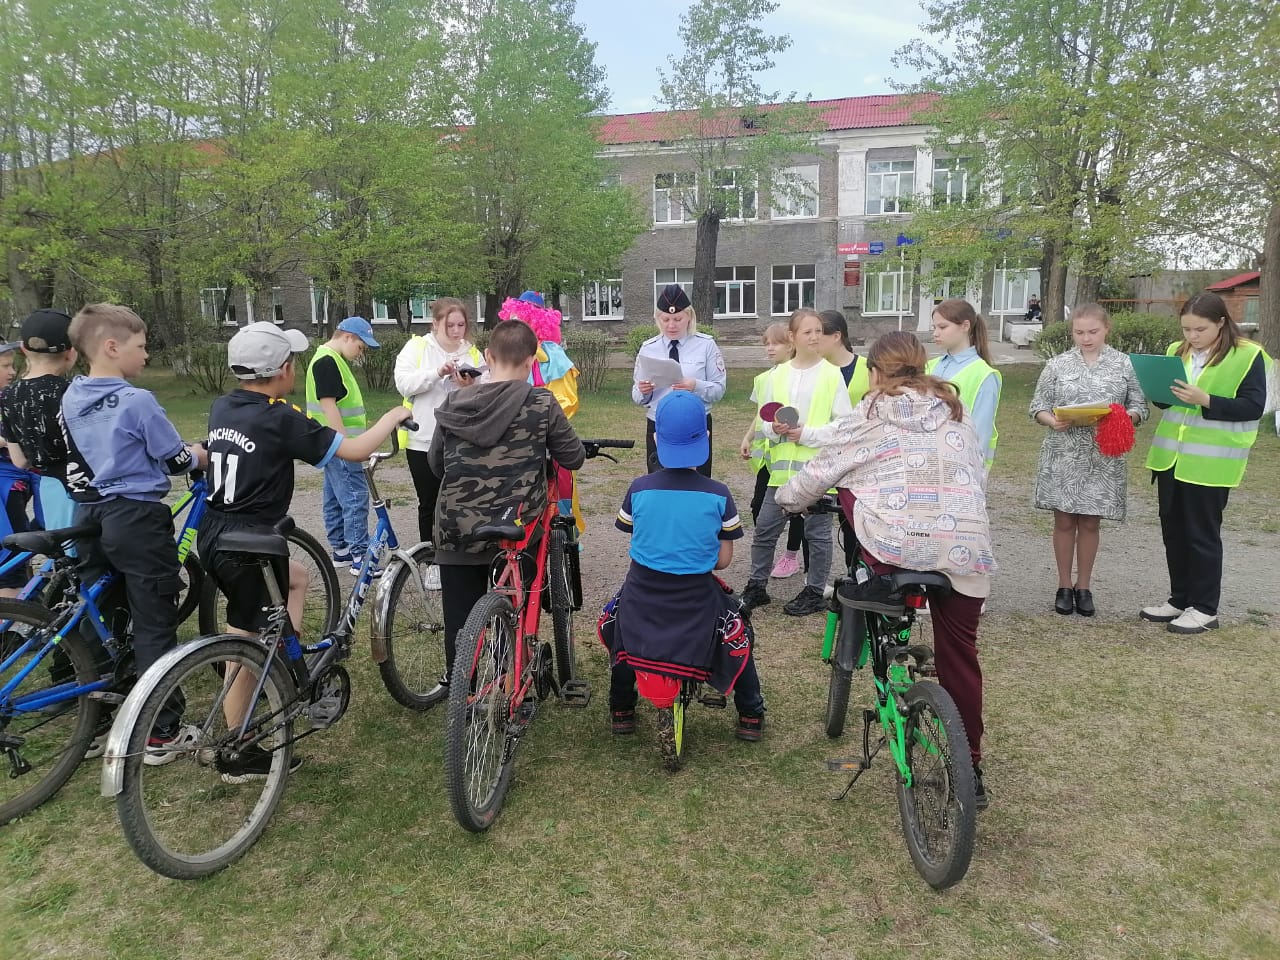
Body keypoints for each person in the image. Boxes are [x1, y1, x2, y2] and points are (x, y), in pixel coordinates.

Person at [776, 331, 996, 808]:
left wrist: (786, 500)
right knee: (960, 653)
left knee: (850, 485)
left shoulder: (871, 411)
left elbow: (823, 471)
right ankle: (971, 766)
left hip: (896, 548)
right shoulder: (955, 412)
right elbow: (977, 476)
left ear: (875, 373)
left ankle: (875, 575)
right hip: (964, 549)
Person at [200, 322, 411, 781]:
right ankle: (242, 747)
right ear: (281, 370)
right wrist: (391, 418)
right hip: (251, 541)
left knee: (296, 578)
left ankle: (283, 661)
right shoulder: (280, 417)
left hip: (215, 532)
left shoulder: (224, 406)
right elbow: (352, 450)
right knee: (245, 644)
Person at [60, 303, 208, 762]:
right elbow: (175, 458)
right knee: (153, 620)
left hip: (89, 514)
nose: (146, 355)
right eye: (141, 347)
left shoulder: (72, 395)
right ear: (111, 347)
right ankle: (162, 732)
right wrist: (201, 455)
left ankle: (103, 714)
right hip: (136, 516)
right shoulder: (136, 400)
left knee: (102, 614)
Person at [428, 319, 585, 689]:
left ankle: (461, 687)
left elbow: (437, 464)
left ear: (487, 356)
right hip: (516, 526)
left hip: (456, 527)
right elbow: (572, 456)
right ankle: (509, 679)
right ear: (532, 360)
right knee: (515, 607)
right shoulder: (541, 401)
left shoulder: (453, 402)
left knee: (460, 620)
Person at [604, 390, 765, 744]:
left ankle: (621, 709)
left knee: (623, 637)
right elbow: (722, 561)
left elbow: (633, 537)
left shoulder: (639, 489)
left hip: (643, 596)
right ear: (705, 438)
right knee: (740, 635)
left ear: (656, 438)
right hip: (697, 599)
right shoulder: (719, 494)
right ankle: (750, 713)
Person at [1140, 291, 1270, 635]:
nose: (1191, 336)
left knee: (1201, 536)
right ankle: (1180, 599)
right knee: (1174, 533)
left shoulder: (1248, 356)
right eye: (1186, 329)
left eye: (1199, 329)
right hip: (1170, 459)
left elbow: (1253, 407)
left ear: (1221, 323)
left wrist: (1206, 400)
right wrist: (1156, 387)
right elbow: (1167, 402)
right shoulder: (1175, 351)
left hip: (1211, 464)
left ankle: (1205, 608)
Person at [1030, 304, 1148, 616]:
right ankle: (1063, 584)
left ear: (1106, 329)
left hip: (1102, 454)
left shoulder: (1124, 364)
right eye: (1079, 332)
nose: (1086, 338)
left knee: (1091, 521)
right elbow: (1038, 405)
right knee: (1065, 519)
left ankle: (1084, 586)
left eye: (1092, 332)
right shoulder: (1057, 365)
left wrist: (1123, 417)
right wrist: (1050, 419)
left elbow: (1139, 405)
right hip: (1064, 452)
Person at [740, 308, 853, 617]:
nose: (815, 336)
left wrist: (806, 435)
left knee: (817, 535)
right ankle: (756, 586)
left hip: (816, 473)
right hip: (781, 474)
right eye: (808, 332)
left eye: (818, 330)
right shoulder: (776, 376)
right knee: (764, 530)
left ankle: (815, 591)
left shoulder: (831, 375)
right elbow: (764, 421)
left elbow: (844, 427)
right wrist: (773, 430)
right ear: (792, 337)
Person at [393, 297, 482, 549]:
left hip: (462, 438)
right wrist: (436, 374)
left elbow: (485, 391)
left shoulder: (471, 352)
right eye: (450, 325)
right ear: (435, 323)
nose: (456, 331)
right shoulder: (418, 348)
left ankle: (459, 552)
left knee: (461, 500)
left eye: (461, 325)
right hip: (423, 438)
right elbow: (404, 383)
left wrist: (470, 386)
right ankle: (430, 556)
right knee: (429, 501)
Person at [497, 291, 583, 525]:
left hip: (547, 438)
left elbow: (566, 400)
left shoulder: (553, 357)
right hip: (510, 439)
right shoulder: (504, 353)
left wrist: (541, 425)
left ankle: (559, 535)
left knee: (557, 491)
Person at [306, 316, 380, 576]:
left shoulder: (329, 359)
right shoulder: (328, 361)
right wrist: (347, 444)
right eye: (361, 346)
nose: (361, 353)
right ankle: (360, 554)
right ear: (347, 337)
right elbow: (329, 406)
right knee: (355, 496)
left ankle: (341, 550)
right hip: (340, 444)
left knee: (335, 496)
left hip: (330, 443)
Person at [632, 283, 726, 476]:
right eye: (665, 319)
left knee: (698, 479)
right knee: (660, 479)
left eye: (677, 318)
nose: (671, 325)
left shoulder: (705, 345)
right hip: (659, 422)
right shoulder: (648, 348)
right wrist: (644, 392)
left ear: (689, 317)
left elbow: (719, 389)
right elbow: (636, 394)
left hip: (695, 422)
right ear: (658, 319)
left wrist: (695, 385)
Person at [1, 309, 79, 535]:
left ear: (24, 349)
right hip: (83, 491)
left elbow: (20, 461)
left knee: (64, 556)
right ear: (71, 352)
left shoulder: (8, 396)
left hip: (50, 488)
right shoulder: (74, 392)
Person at [739, 323, 806, 580]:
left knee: (797, 506)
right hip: (769, 458)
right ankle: (771, 551)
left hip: (794, 456)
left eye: (775, 343)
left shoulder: (800, 378)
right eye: (766, 343)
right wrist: (748, 437)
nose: (769, 348)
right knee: (758, 506)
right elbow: (760, 415)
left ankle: (791, 555)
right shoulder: (763, 379)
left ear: (791, 345)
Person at [927, 298, 1002, 470]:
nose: (935, 333)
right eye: (934, 327)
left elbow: (980, 432)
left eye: (943, 327)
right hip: (929, 462)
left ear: (965, 326)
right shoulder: (930, 366)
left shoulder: (984, 374)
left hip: (961, 467)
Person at [0, 339, 31, 598]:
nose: (12, 371)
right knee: (11, 554)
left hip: (18, 481)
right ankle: (9, 633)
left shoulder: (7, 398)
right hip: (5, 488)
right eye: (5, 366)